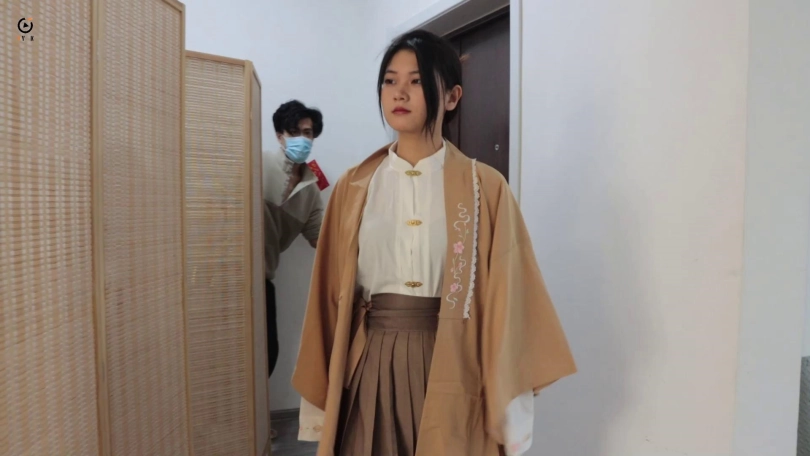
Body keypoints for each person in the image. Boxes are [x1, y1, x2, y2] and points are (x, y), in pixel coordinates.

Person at [291, 31, 577, 456]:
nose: (399, 92)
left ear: (452, 96)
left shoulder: (486, 187)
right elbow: (327, 298)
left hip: (454, 360)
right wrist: (320, 400)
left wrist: (511, 410)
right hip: (370, 361)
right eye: (390, 81)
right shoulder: (354, 187)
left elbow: (512, 296)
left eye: (418, 80)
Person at [262, 100, 324, 436]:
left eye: (308, 133)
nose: (302, 139)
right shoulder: (256, 164)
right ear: (279, 135)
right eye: (294, 132)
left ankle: (256, 420)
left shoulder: (311, 188)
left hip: (263, 278)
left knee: (267, 352)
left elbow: (320, 237)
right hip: (226, 275)